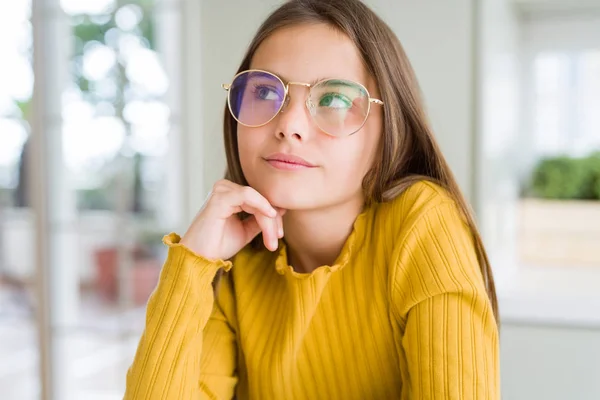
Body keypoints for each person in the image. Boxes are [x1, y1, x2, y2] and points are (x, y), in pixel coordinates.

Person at [124, 0, 500, 398]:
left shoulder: (423, 224)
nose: (288, 125)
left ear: (390, 126)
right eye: (266, 91)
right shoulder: (232, 264)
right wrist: (192, 264)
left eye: (334, 99)